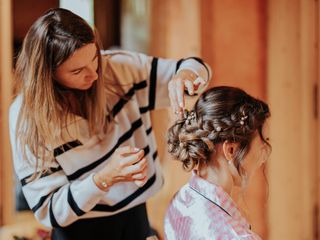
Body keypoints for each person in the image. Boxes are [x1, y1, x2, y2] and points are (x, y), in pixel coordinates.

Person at [9, 8, 211, 240]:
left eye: (94, 57)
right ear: (48, 75)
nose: (94, 74)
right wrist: (104, 178)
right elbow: (48, 210)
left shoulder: (118, 68)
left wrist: (185, 75)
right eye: (77, 70)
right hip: (76, 229)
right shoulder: (26, 118)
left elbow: (197, 69)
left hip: (136, 216)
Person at [165, 86, 271, 239]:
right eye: (261, 147)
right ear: (231, 150)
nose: (263, 159)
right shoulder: (237, 236)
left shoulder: (180, 200)